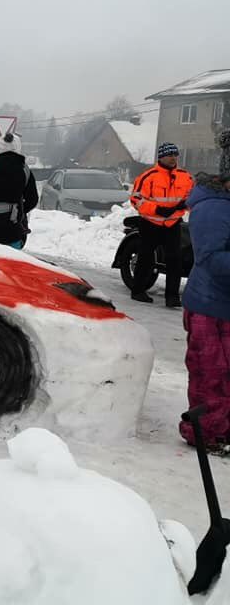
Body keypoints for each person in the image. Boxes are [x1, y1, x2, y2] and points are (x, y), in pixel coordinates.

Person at [178, 132, 230, 451]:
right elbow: (210, 258)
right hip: (209, 307)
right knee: (210, 372)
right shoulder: (212, 208)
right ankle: (205, 432)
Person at [129, 142, 194, 306]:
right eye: (169, 155)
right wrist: (157, 210)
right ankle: (138, 291)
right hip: (150, 223)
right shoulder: (148, 176)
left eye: (175, 155)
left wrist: (184, 205)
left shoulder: (185, 177)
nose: (173, 158)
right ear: (161, 157)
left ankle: (172, 297)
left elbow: (193, 197)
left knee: (175, 260)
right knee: (146, 257)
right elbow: (136, 199)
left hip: (172, 224)